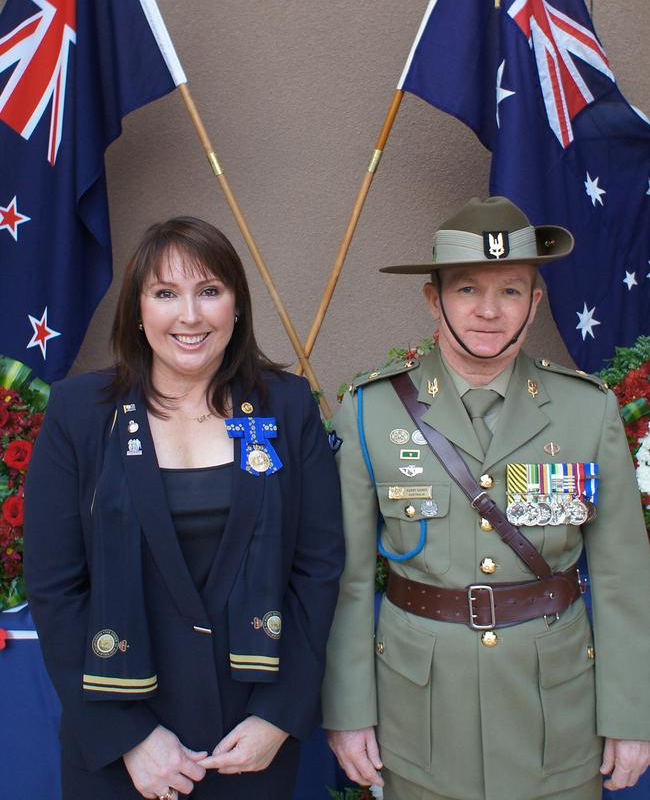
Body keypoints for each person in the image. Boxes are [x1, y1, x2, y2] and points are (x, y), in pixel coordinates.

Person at [322, 196, 650, 800]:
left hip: (556, 713)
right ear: (433, 299)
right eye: (468, 288)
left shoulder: (586, 410)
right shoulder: (371, 413)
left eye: (511, 290)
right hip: (420, 713)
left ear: (536, 302)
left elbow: (623, 576)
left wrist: (631, 716)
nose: (489, 311)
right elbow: (344, 578)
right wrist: (348, 709)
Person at [24, 216, 344, 800]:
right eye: (166, 293)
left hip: (250, 742)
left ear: (237, 307)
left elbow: (317, 569)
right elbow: (54, 586)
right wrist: (128, 737)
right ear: (138, 310)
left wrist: (278, 716)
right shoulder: (80, 413)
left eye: (210, 292)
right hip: (121, 749)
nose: (190, 316)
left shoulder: (288, 405)